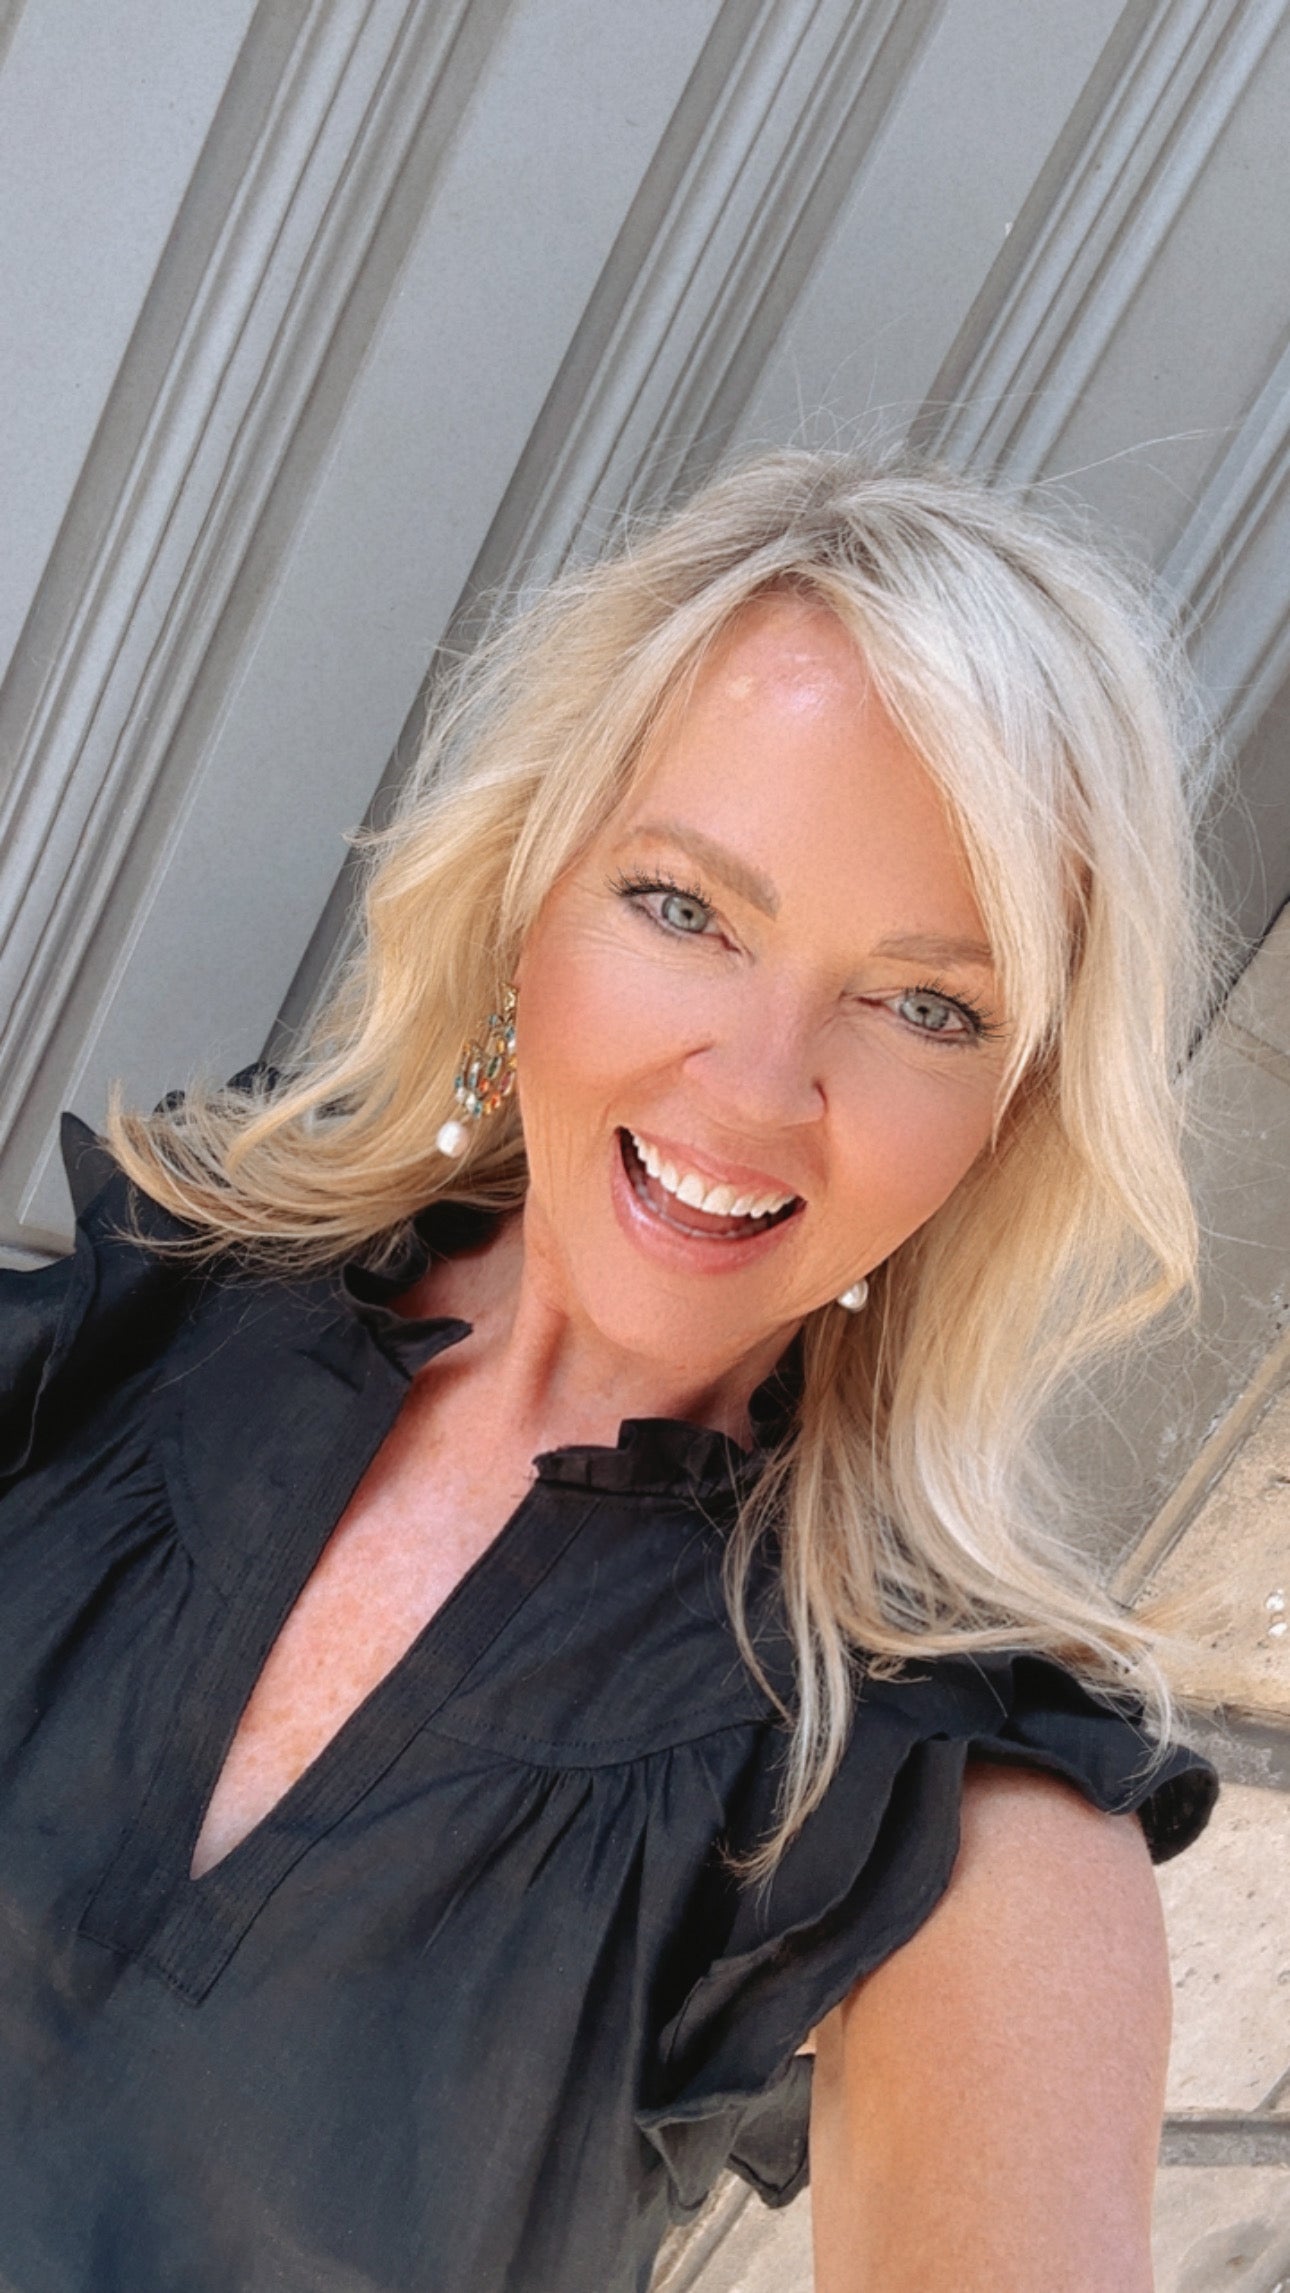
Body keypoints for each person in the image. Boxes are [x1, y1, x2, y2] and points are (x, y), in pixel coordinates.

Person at [0, 448, 1220, 2293]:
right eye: (685, 908)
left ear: (1011, 1114)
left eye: (924, 1004)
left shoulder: (951, 1814)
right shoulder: (164, 1300)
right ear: (531, 891)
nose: (756, 1085)